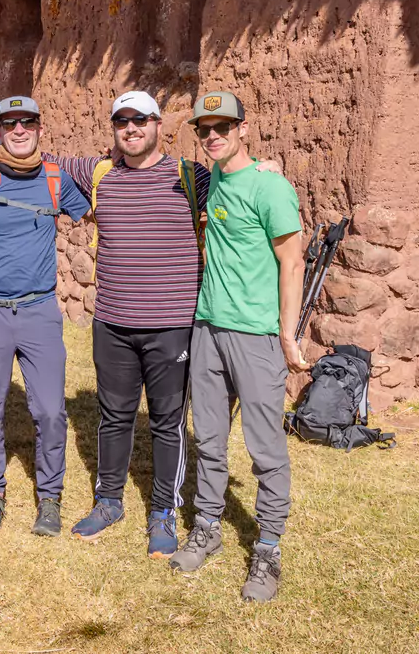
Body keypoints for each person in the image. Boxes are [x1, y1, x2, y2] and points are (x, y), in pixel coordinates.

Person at [0, 89, 209, 557]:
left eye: (141, 120)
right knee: (113, 416)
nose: (132, 129)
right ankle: (109, 500)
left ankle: (162, 510)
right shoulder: (99, 172)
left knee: (167, 421)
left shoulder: (189, 176)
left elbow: (234, 179)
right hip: (113, 321)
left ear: (160, 125)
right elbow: (36, 152)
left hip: (171, 323)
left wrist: (267, 165)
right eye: (122, 122)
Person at [168, 90, 310, 604]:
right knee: (207, 436)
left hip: (255, 336)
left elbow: (292, 263)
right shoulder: (209, 182)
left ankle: (268, 545)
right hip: (206, 328)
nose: (212, 136)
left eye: (223, 127)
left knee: (265, 449)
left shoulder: (271, 189)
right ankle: (207, 525)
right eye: (204, 129)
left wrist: (287, 335)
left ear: (244, 128)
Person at [0, 96, 90, 535]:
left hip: (39, 310)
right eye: (10, 123)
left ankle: (49, 498)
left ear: (40, 128)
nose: (19, 130)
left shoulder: (55, 179)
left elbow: (99, 204)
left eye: (28, 122)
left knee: (49, 411)